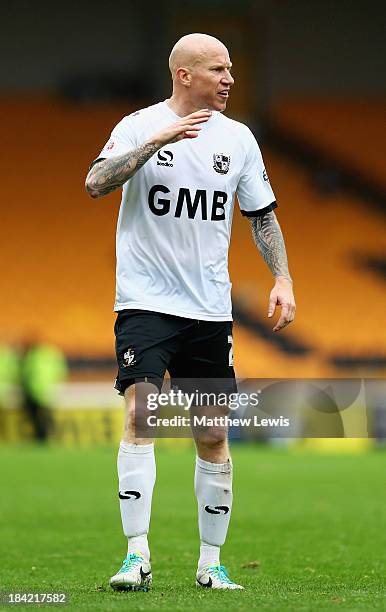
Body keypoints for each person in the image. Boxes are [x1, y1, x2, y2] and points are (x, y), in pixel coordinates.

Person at [85, 32, 295, 591]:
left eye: (230, 70)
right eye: (218, 69)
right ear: (184, 75)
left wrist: (283, 278)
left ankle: (210, 564)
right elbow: (95, 183)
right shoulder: (138, 125)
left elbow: (262, 215)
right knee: (141, 416)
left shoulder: (239, 139)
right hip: (145, 301)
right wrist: (156, 142)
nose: (230, 79)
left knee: (212, 435)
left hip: (208, 307)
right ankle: (136, 557)